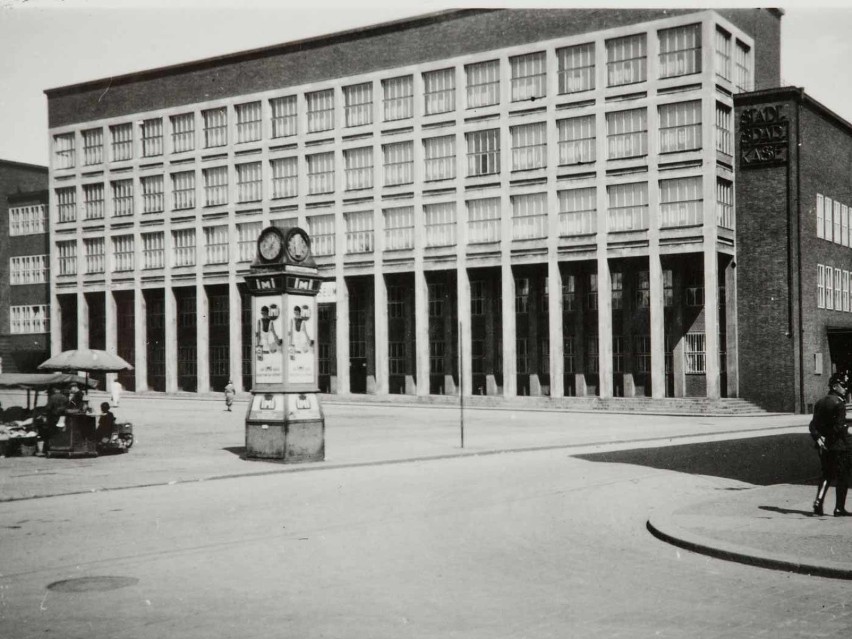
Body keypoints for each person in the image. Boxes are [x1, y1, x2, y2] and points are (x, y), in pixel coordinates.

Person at [809, 372, 852, 516]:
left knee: (826, 474)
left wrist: (818, 437)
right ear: (835, 386)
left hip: (824, 446)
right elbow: (838, 427)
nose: (845, 388)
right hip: (839, 446)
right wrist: (847, 429)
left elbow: (812, 425)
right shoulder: (839, 403)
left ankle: (818, 503)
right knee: (843, 476)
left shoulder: (820, 402)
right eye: (843, 385)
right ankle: (839, 508)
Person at [43, 386, 68, 454]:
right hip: (62, 417)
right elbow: (66, 407)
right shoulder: (65, 397)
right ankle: (61, 446)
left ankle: (52, 447)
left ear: (54, 389)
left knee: (52, 432)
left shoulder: (52, 397)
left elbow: (48, 408)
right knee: (61, 432)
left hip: (53, 417)